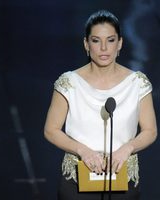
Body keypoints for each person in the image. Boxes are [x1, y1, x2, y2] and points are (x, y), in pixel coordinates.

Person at [44, 10, 157, 200]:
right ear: (86, 44)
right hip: (77, 181)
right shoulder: (69, 82)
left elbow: (150, 131)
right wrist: (83, 151)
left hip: (123, 180)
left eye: (110, 40)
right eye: (96, 40)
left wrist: (127, 148)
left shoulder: (137, 83)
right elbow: (51, 130)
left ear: (120, 43)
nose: (104, 47)